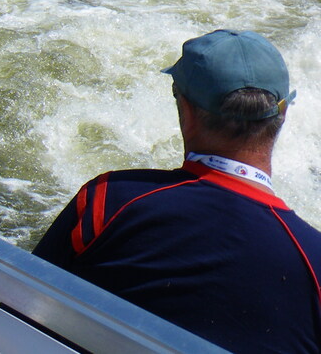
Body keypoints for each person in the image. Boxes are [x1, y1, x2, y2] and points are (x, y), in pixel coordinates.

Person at [34, 30, 320, 354]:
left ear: (186, 111)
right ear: (282, 115)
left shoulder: (107, 203)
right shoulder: (314, 262)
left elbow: (14, 309)